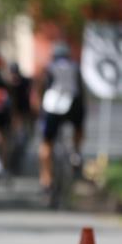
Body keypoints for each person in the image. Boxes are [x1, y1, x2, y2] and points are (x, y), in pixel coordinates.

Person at [37, 41, 85, 193]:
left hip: (52, 105)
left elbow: (42, 87)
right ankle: (76, 153)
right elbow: (80, 89)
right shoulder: (75, 67)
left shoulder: (49, 67)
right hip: (73, 103)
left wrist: (39, 107)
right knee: (78, 127)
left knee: (46, 143)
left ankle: (46, 178)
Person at [7, 62, 34, 175]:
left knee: (23, 138)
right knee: (11, 140)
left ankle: (16, 161)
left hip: (23, 113)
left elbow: (32, 96)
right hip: (11, 115)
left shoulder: (25, 82)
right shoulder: (7, 83)